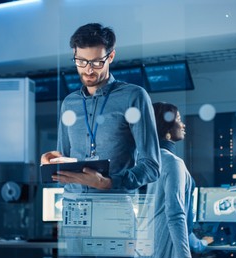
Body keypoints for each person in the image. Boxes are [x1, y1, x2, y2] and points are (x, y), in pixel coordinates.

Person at [41, 23, 160, 193]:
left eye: (96, 62)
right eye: (81, 61)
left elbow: (151, 167)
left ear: (110, 56)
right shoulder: (69, 103)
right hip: (73, 208)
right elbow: (63, 169)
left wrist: (108, 182)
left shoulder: (133, 96)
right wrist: (52, 163)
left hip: (114, 208)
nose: (88, 69)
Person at [145, 102, 213, 258]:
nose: (183, 125)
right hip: (164, 250)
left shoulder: (147, 161)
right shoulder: (172, 162)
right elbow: (176, 216)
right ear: (167, 127)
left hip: (145, 249)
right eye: (178, 119)